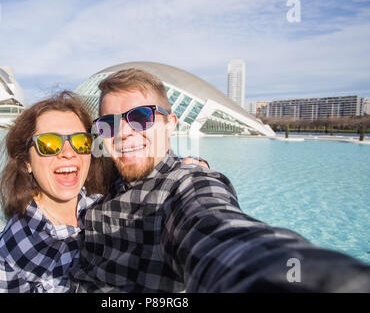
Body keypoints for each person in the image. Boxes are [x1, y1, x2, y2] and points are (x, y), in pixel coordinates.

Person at [70, 68, 370, 292]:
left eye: (140, 117)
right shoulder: (101, 177)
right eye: (109, 123)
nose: (123, 133)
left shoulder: (184, 185)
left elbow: (216, 229)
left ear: (170, 124)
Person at [0, 91, 115, 292]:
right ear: (26, 162)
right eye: (49, 144)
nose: (68, 153)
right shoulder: (15, 246)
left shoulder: (107, 208)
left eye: (81, 142)